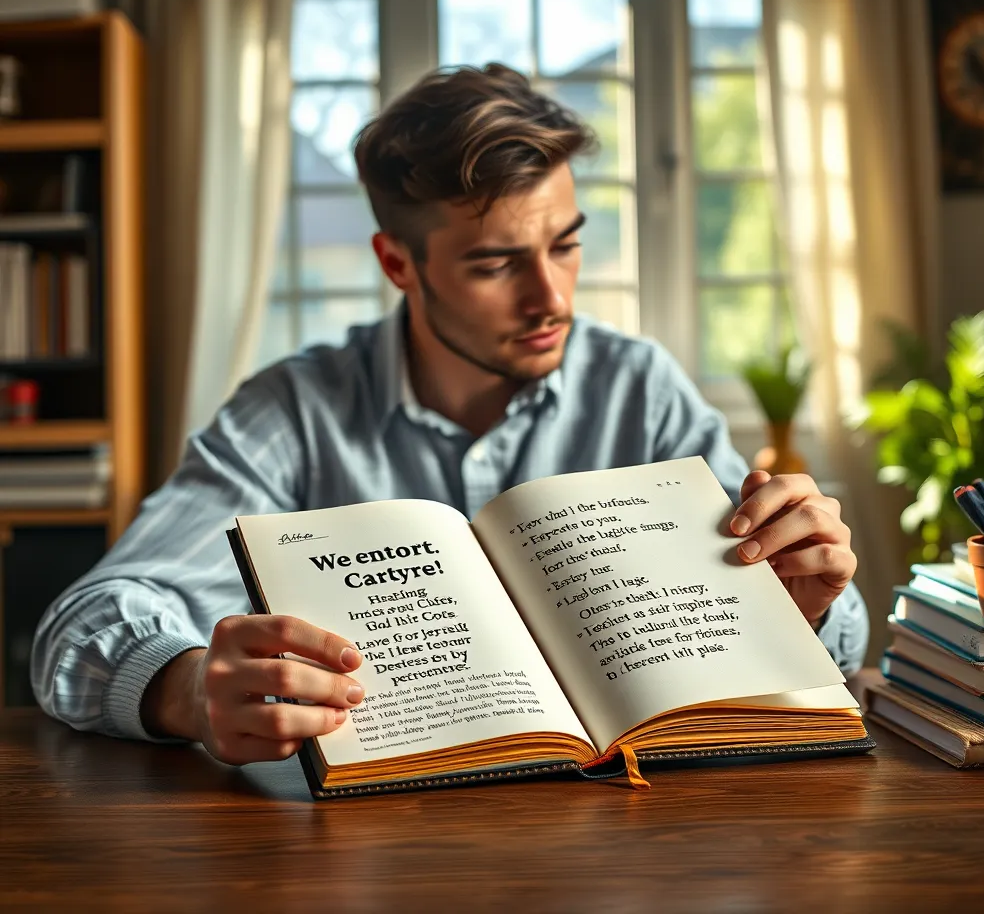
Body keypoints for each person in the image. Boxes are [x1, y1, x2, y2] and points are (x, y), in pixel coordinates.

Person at [32, 63, 868, 766]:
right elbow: (82, 622)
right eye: (497, 263)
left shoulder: (638, 388)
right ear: (398, 262)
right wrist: (185, 690)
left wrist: (805, 603)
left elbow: (827, 641)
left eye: (566, 244)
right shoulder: (293, 411)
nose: (552, 297)